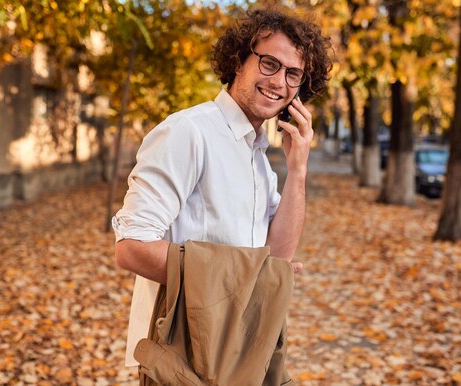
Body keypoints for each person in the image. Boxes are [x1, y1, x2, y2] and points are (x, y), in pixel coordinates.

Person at [112, 7, 332, 371]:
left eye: (293, 74)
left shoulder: (259, 155)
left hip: (241, 346)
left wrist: (298, 170)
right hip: (184, 352)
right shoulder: (189, 132)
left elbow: (275, 261)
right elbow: (131, 248)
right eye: (269, 64)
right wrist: (247, 276)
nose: (279, 82)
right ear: (238, 60)